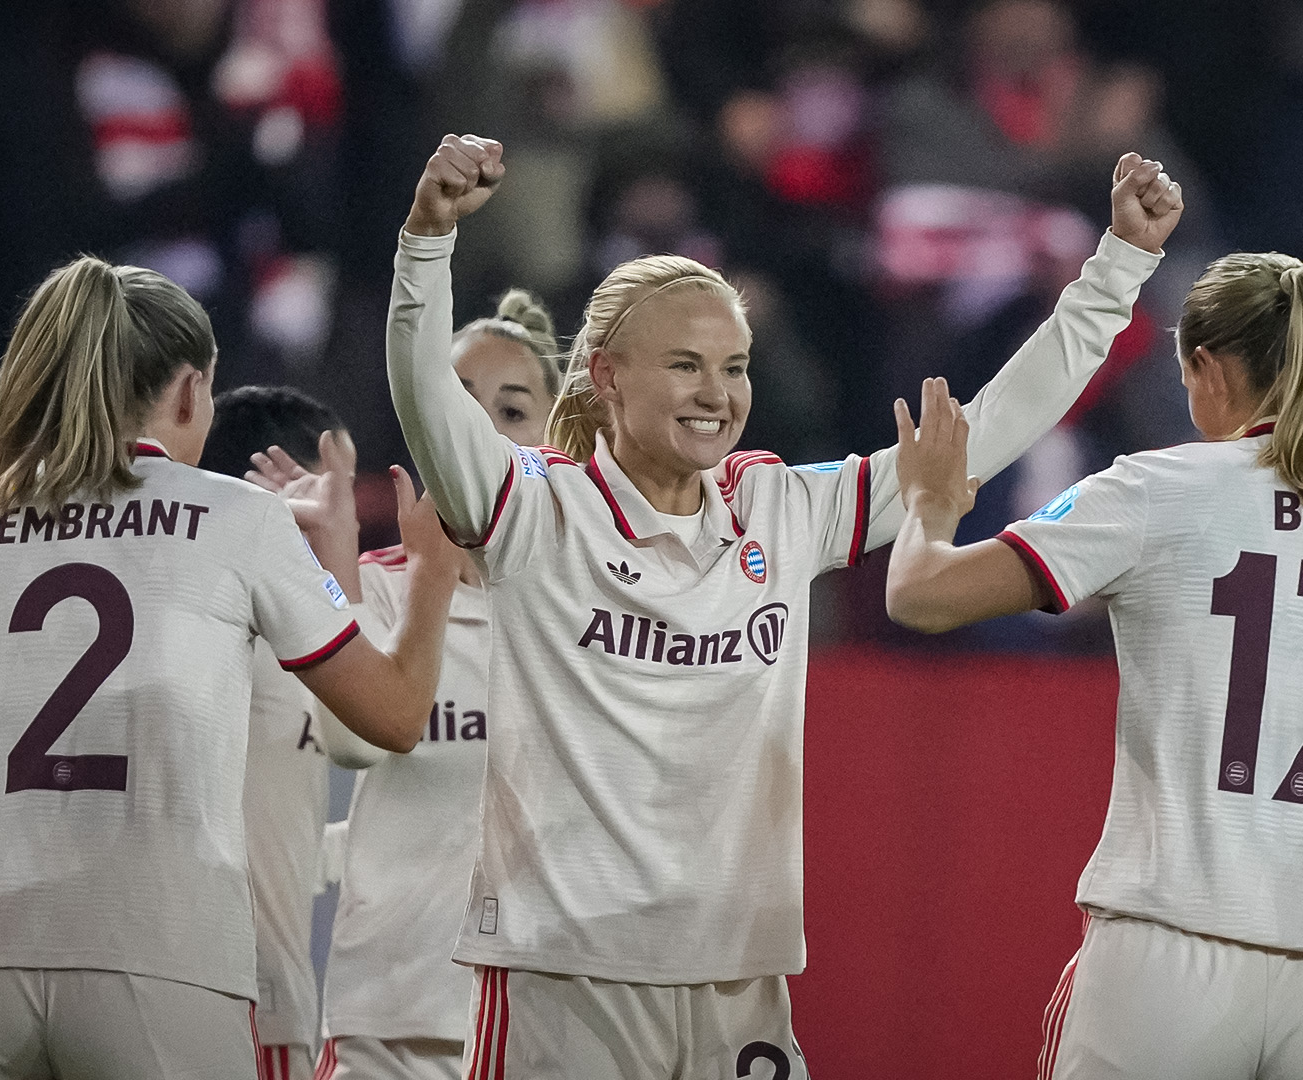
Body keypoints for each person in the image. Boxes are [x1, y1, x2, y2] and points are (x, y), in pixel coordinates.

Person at [385, 133, 1181, 1079]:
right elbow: (426, 393)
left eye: (733, 367)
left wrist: (1118, 266)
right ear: (606, 377)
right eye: (684, 366)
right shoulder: (533, 508)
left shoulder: (781, 506)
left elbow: (987, 430)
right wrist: (427, 238)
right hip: (566, 969)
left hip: (739, 973)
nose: (717, 395)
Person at [0, 256, 455, 1080]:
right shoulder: (237, 517)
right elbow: (395, 716)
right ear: (192, 391)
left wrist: (2, 803)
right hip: (161, 954)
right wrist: (433, 573)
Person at [883, 252, 1303, 1079]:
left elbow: (923, 596)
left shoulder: (1159, 487)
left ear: (1204, 366)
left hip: (1169, 948)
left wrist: (930, 505)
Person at [309, 290, 560, 1080]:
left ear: (565, 440)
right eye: (455, 406)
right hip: (393, 1029)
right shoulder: (370, 591)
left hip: (551, 1031)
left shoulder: (600, 612)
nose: (479, 431)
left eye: (513, 411)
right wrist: (334, 572)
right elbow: (344, 745)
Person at [199, 385, 450, 1080]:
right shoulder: (270, 625)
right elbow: (375, 733)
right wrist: (364, 562)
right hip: (249, 999)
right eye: (340, 479)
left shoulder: (190, 607)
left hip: (165, 982)